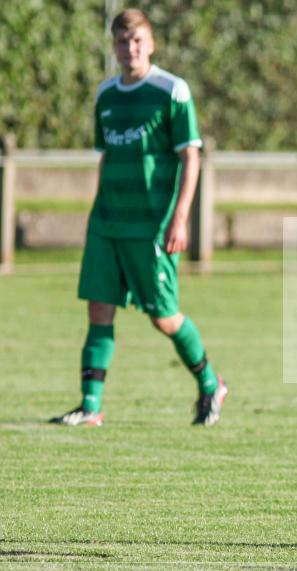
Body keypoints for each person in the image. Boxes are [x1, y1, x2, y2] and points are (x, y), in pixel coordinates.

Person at [51, 8, 227, 427]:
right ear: (112, 46)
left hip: (153, 227)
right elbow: (106, 155)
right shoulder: (105, 95)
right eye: (121, 41)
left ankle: (209, 383)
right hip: (107, 223)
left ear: (150, 44)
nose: (128, 49)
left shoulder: (172, 91)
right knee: (98, 311)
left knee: (164, 318)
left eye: (136, 41)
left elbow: (191, 156)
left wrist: (180, 217)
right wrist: (96, 212)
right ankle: (90, 406)